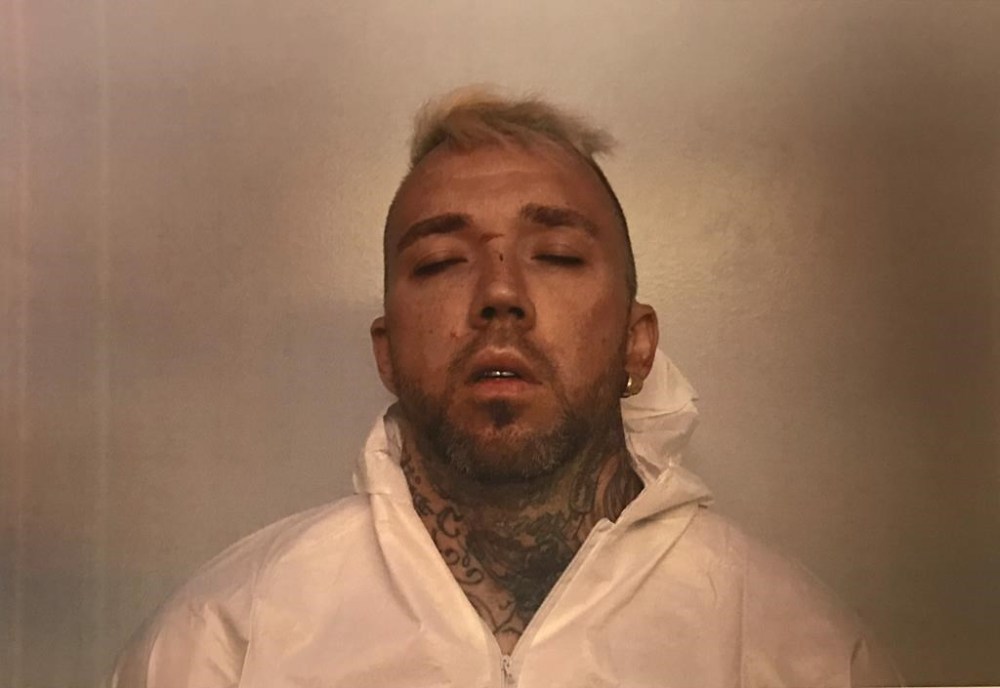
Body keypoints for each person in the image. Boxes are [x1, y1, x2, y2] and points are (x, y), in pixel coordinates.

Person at [111, 88, 901, 687]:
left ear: (637, 340)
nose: (498, 293)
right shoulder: (225, 641)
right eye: (439, 263)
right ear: (387, 353)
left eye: (555, 255)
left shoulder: (797, 650)